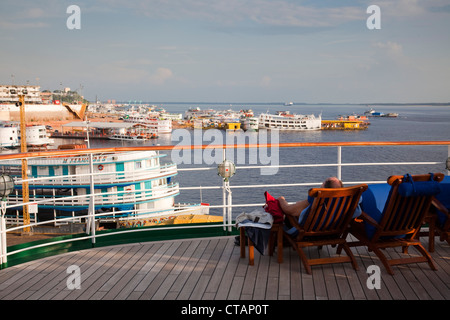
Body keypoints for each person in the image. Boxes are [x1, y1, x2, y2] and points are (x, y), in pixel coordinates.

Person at [277, 177, 344, 222]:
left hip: (311, 232)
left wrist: (281, 199)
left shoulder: (316, 199)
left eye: (323, 183)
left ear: (324, 188)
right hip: (333, 231)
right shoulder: (344, 201)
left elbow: (288, 209)